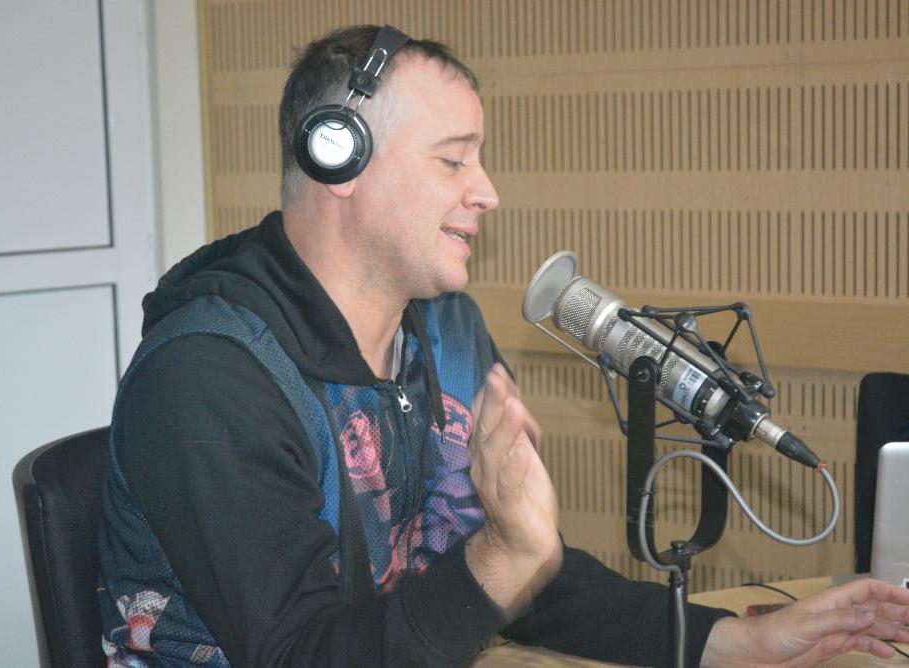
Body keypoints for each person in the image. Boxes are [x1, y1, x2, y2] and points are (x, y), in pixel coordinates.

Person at [97, 24, 909, 667]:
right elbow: (303, 652)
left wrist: (731, 642)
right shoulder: (208, 377)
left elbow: (514, 575)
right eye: (453, 161)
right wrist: (502, 557)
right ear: (338, 158)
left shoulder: (445, 331)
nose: (487, 192)